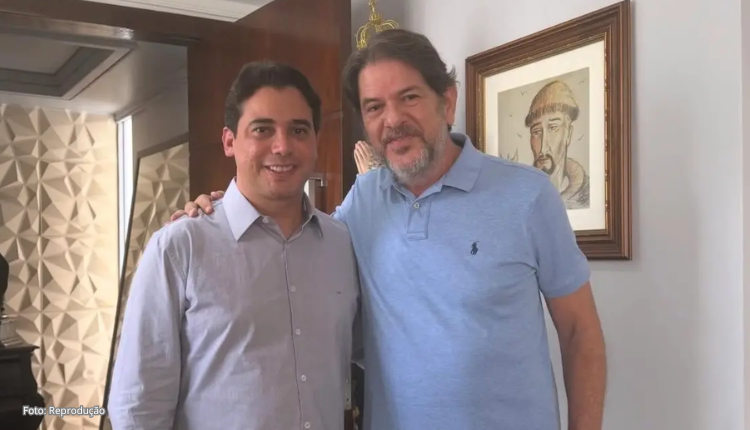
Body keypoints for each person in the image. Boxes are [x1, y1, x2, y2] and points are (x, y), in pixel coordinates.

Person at [170, 29, 607, 430]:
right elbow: (290, 242)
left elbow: (579, 333)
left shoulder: (527, 195)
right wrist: (222, 209)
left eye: (409, 97)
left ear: (447, 102)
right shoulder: (363, 201)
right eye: (374, 107)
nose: (392, 120)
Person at [107, 61, 361, 430]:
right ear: (229, 141)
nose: (282, 146)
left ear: (315, 141)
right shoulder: (180, 247)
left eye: (298, 130)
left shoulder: (341, 244)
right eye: (262, 129)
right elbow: (138, 406)